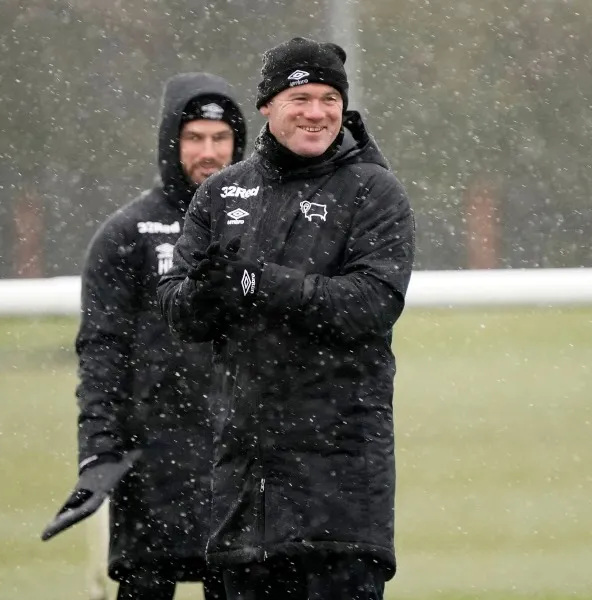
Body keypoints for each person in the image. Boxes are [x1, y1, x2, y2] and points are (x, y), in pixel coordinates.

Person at [157, 38, 416, 600]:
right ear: (267, 106)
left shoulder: (374, 189)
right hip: (242, 495)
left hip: (342, 497)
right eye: (300, 97)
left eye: (330, 98)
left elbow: (371, 302)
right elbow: (179, 311)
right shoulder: (222, 194)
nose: (317, 113)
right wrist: (211, 292)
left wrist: (263, 283)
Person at [42, 72, 247, 600]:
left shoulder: (264, 224)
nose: (208, 151)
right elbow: (101, 352)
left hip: (243, 468)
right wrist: (98, 453)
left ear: (238, 142)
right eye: (195, 137)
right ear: (171, 142)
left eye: (220, 138)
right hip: (151, 470)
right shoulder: (127, 234)